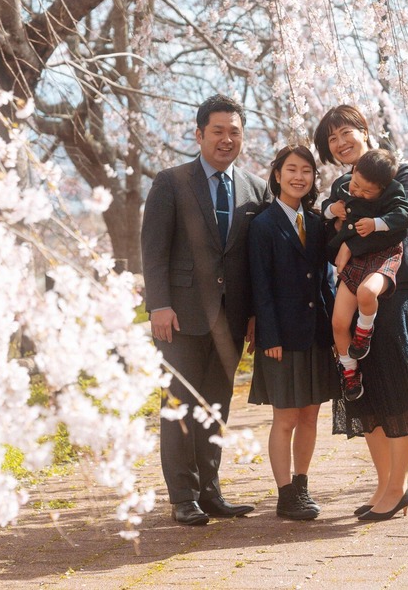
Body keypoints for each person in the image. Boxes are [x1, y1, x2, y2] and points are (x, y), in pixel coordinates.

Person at [141, 95, 272, 526]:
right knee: (178, 407)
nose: (226, 139)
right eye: (218, 131)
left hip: (230, 321)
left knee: (216, 407)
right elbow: (153, 249)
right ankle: (183, 496)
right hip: (179, 317)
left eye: (235, 132)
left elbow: (256, 260)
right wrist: (159, 304)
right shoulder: (171, 182)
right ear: (199, 134)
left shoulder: (256, 188)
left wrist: (254, 314)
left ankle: (210, 492)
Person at [314, 104, 408, 522]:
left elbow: (400, 226)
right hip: (353, 289)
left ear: (364, 131)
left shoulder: (398, 173)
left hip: (393, 290)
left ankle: (398, 487)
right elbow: (329, 241)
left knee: (397, 386)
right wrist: (338, 234)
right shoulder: (340, 188)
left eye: (346, 132)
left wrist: (351, 243)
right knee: (367, 393)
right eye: (332, 139)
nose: (340, 143)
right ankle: (385, 485)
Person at [247, 145, 338, 520]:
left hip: (316, 334)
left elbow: (327, 281)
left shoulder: (316, 224)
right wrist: (269, 337)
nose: (299, 177)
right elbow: (260, 286)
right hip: (281, 339)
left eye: (306, 171)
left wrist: (336, 331)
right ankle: (285, 494)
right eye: (291, 170)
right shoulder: (262, 225)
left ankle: (302, 485)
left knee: (310, 417)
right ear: (277, 175)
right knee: (285, 419)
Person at [322, 148, 408, 401]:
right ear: (354, 171)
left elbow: (405, 215)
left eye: (367, 191)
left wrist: (377, 223)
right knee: (338, 323)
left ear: (383, 188)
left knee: (366, 292)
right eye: (356, 184)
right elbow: (324, 209)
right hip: (354, 261)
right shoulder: (342, 185)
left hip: (383, 256)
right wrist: (333, 210)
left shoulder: (394, 190)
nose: (358, 192)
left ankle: (364, 333)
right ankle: (350, 372)